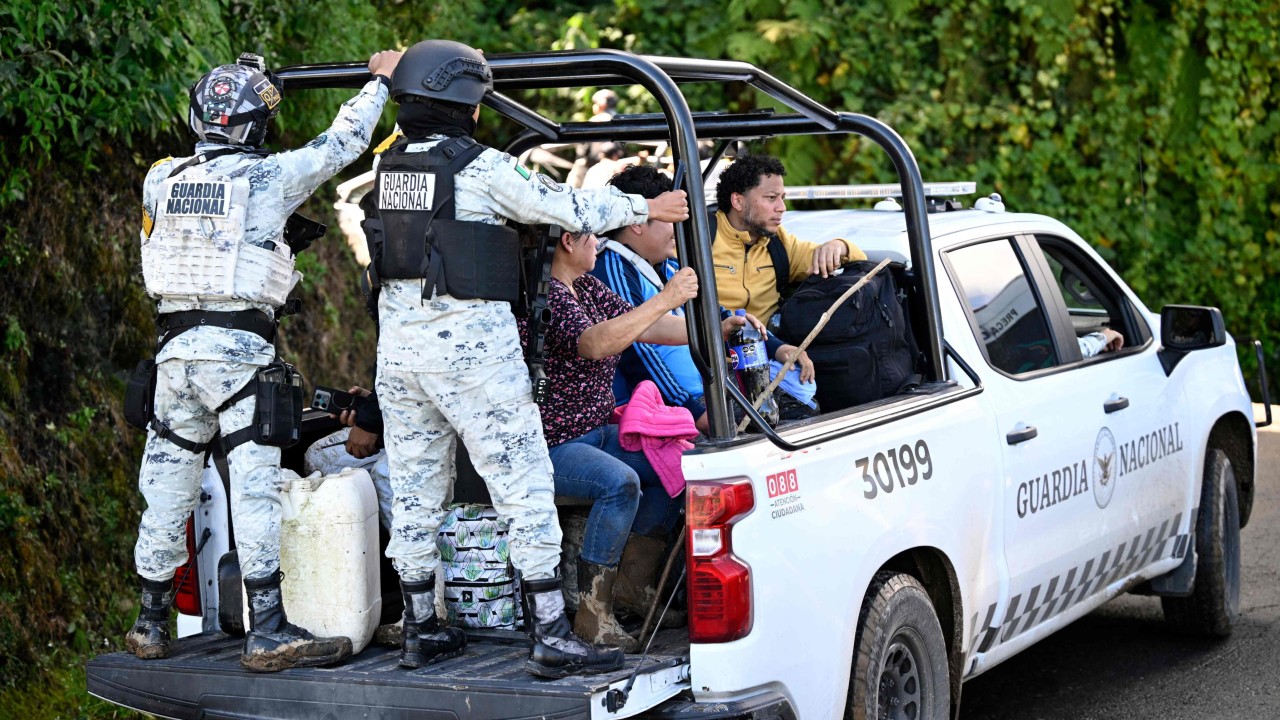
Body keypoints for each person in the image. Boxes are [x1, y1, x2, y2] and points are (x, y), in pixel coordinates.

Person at [364, 40, 689, 678]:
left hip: (400, 356)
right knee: (526, 488)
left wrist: (382, 81)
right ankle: (549, 632)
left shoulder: (392, 168)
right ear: (471, 107)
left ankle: (422, 627)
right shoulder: (479, 168)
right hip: (472, 357)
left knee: (415, 490)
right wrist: (643, 207)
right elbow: (565, 207)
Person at [128, 49, 401, 672]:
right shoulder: (267, 179)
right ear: (258, 126)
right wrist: (379, 83)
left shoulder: (160, 178)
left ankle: (149, 621)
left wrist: (245, 78)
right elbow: (343, 142)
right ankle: (269, 629)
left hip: (173, 358)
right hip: (238, 358)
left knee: (166, 488)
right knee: (253, 490)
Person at [520, 224, 756, 650]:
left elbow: (646, 327)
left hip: (595, 432)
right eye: (592, 237)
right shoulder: (547, 296)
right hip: (551, 445)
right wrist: (667, 296)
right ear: (568, 242)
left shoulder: (587, 287)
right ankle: (594, 612)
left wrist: (713, 332)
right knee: (620, 484)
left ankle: (634, 585)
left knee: (681, 466)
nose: (600, 245)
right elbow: (594, 343)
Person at [712, 152, 868, 327]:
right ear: (738, 201)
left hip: (773, 350)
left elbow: (861, 264)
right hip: (703, 352)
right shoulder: (699, 238)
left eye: (782, 198)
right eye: (771, 198)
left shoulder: (780, 243)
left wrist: (839, 246)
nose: (782, 208)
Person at [568, 89, 620, 187]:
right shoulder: (618, 120)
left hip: (590, 166)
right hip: (611, 166)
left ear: (602, 104)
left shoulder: (597, 119)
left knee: (572, 188)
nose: (593, 106)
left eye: (595, 103)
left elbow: (583, 146)